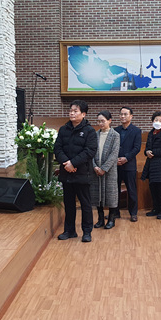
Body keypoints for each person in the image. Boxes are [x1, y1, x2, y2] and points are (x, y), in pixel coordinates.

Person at [54, 100, 97, 243]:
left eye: (75, 111)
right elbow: (57, 148)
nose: (72, 113)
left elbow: (90, 151)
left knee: (85, 204)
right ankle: (69, 231)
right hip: (66, 172)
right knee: (69, 203)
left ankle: (87, 232)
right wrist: (66, 163)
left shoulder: (89, 131)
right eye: (70, 110)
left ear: (83, 114)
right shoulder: (63, 129)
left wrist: (73, 163)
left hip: (82, 173)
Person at [90, 111, 120, 230]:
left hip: (109, 171)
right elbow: (91, 152)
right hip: (96, 170)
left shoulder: (115, 135)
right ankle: (100, 219)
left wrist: (104, 168)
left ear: (109, 121)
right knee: (97, 194)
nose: (100, 123)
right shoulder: (95, 135)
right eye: (98, 121)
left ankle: (111, 219)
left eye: (103, 121)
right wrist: (94, 166)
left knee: (111, 195)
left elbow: (114, 154)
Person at [141, 111, 161, 219]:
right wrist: (147, 152)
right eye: (156, 120)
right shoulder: (151, 133)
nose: (157, 122)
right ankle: (156, 209)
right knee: (153, 188)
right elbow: (147, 148)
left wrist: (153, 152)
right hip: (152, 165)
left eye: (160, 120)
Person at [115, 106, 142, 222]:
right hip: (116, 165)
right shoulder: (115, 130)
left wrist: (126, 158)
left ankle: (133, 213)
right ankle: (115, 213)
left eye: (125, 114)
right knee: (115, 190)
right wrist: (115, 159)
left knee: (131, 190)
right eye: (121, 114)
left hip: (129, 165)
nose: (122, 116)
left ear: (131, 116)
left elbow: (137, 148)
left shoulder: (136, 131)